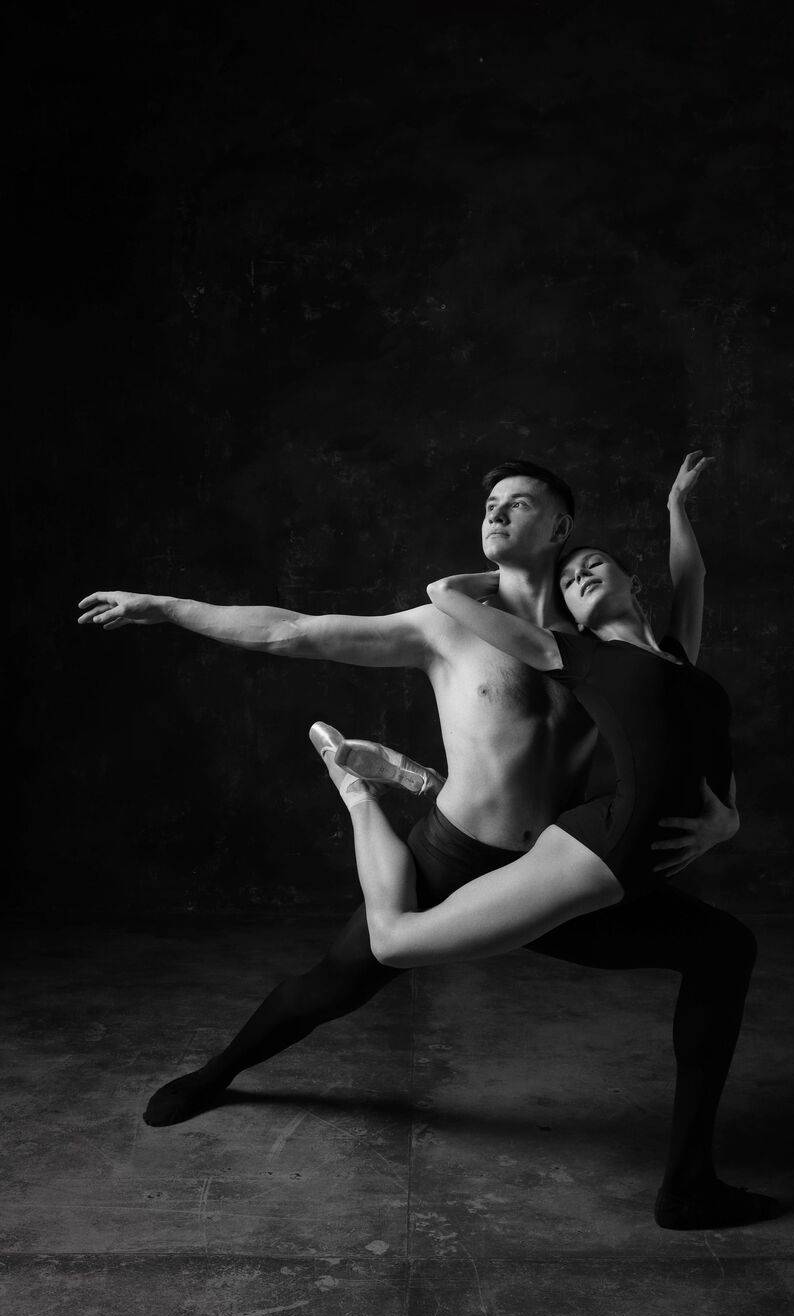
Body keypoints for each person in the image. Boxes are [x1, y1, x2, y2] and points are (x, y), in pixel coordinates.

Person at [78, 454, 759, 1229]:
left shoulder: (600, 638)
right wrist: (166, 606)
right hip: (456, 858)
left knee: (721, 949)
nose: (495, 512)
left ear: (560, 526)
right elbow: (289, 632)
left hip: (561, 868)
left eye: (518, 503)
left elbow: (680, 708)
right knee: (333, 985)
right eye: (489, 503)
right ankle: (220, 1072)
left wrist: (720, 815)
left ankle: (690, 1179)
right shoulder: (445, 626)